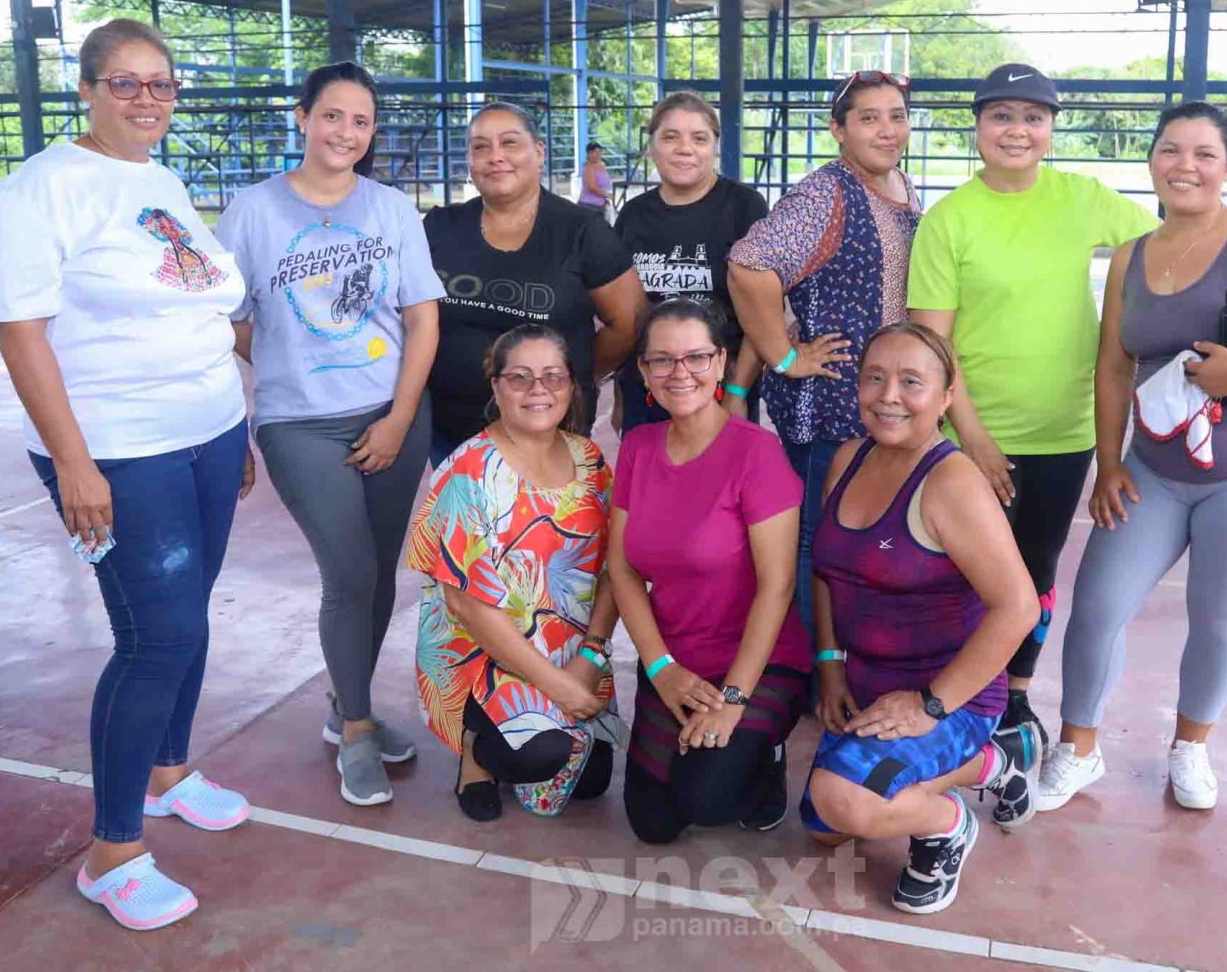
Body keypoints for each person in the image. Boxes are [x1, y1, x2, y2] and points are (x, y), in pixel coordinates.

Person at [0, 18, 252, 931]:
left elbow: (197, 308)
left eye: (162, 84)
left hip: (207, 431)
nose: (148, 99)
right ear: (88, 89)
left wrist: (234, 425)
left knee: (190, 615)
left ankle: (168, 771)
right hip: (116, 448)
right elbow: (18, 331)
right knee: (155, 637)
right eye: (126, 83)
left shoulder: (159, 180)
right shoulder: (38, 190)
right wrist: (74, 462)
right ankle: (112, 853)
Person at [1042, 102, 1227, 813]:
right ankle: (1078, 749)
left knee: (1216, 611)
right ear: (1152, 160)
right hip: (1153, 468)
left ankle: (1191, 746)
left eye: (1204, 154)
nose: (1186, 166)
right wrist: (1110, 464)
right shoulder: (1130, 257)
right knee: (1098, 604)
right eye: (1171, 150)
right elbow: (1114, 365)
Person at [907, 63, 1156, 764]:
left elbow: (1169, 248)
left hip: (1063, 431)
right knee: (964, 574)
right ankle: (956, 694)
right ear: (978, 126)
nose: (1017, 131)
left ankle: (1014, 693)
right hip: (971, 435)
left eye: (1033, 118)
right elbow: (932, 342)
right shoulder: (950, 220)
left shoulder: (1082, 198)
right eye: (1001, 116)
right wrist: (974, 437)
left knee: (1036, 572)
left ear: (1050, 129)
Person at [214, 61, 443, 809]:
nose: (346, 131)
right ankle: (357, 730)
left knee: (378, 575)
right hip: (299, 423)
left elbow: (421, 319)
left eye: (361, 121)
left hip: (391, 415)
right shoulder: (252, 212)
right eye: (333, 115)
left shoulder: (391, 210)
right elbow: (226, 319)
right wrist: (291, 366)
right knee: (348, 574)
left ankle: (348, 707)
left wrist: (399, 418)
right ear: (304, 118)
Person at [800, 323, 1042, 916]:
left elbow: (1020, 607)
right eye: (874, 378)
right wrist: (830, 666)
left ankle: (948, 825)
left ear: (947, 395)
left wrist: (930, 705)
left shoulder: (952, 481)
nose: (889, 396)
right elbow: (828, 572)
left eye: (912, 382)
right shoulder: (849, 458)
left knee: (846, 800)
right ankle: (994, 766)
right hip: (867, 688)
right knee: (826, 826)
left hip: (951, 697)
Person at [608, 299, 811, 842]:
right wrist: (660, 667)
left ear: (721, 363)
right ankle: (713, 742)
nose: (681, 372)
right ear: (644, 371)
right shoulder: (638, 447)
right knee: (653, 825)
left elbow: (778, 587)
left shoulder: (757, 452)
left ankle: (767, 756)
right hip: (677, 661)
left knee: (708, 799)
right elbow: (621, 568)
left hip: (758, 663)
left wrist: (735, 701)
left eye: (696, 357)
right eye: (662, 360)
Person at [727, 71, 922, 629]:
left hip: (881, 406)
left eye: (897, 117)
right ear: (839, 130)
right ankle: (815, 665)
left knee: (865, 539)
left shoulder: (901, 185)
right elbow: (749, 265)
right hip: (830, 409)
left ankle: (848, 653)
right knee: (818, 543)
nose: (887, 130)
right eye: (869, 118)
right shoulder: (825, 193)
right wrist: (785, 356)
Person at [407, 324, 622, 821]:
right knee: (538, 756)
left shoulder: (590, 460)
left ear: (571, 385)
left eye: (553, 376)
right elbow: (469, 606)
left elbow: (617, 567)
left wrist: (592, 654)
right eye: (520, 377)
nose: (538, 389)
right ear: (496, 386)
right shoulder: (467, 474)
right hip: (488, 654)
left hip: (573, 646)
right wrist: (561, 687)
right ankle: (476, 748)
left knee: (593, 783)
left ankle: (536, 726)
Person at [423, 102, 646, 464]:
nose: (495, 156)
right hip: (453, 436)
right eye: (481, 146)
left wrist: (574, 373)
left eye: (509, 142)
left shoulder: (583, 231)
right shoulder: (439, 227)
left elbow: (628, 323)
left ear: (539, 152)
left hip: (552, 433)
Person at [613, 91, 769, 435]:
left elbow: (764, 315)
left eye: (699, 138)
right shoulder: (634, 215)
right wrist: (623, 395)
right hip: (649, 389)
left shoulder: (744, 207)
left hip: (719, 387)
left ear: (715, 146)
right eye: (670, 137)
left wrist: (737, 391)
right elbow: (625, 315)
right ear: (651, 147)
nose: (685, 149)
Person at [578, 139, 612, 214]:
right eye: (595, 152)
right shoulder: (588, 167)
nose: (598, 154)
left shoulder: (602, 164)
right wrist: (608, 195)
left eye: (600, 152)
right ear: (589, 154)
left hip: (601, 205)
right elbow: (592, 187)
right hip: (589, 205)